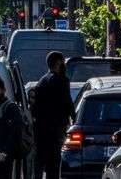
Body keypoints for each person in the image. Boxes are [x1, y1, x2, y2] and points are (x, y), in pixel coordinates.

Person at [33, 51, 76, 179]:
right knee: (54, 164)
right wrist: (74, 118)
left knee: (40, 162)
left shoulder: (41, 81)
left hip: (41, 130)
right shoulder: (61, 80)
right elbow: (67, 102)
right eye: (62, 62)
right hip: (56, 129)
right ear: (58, 63)